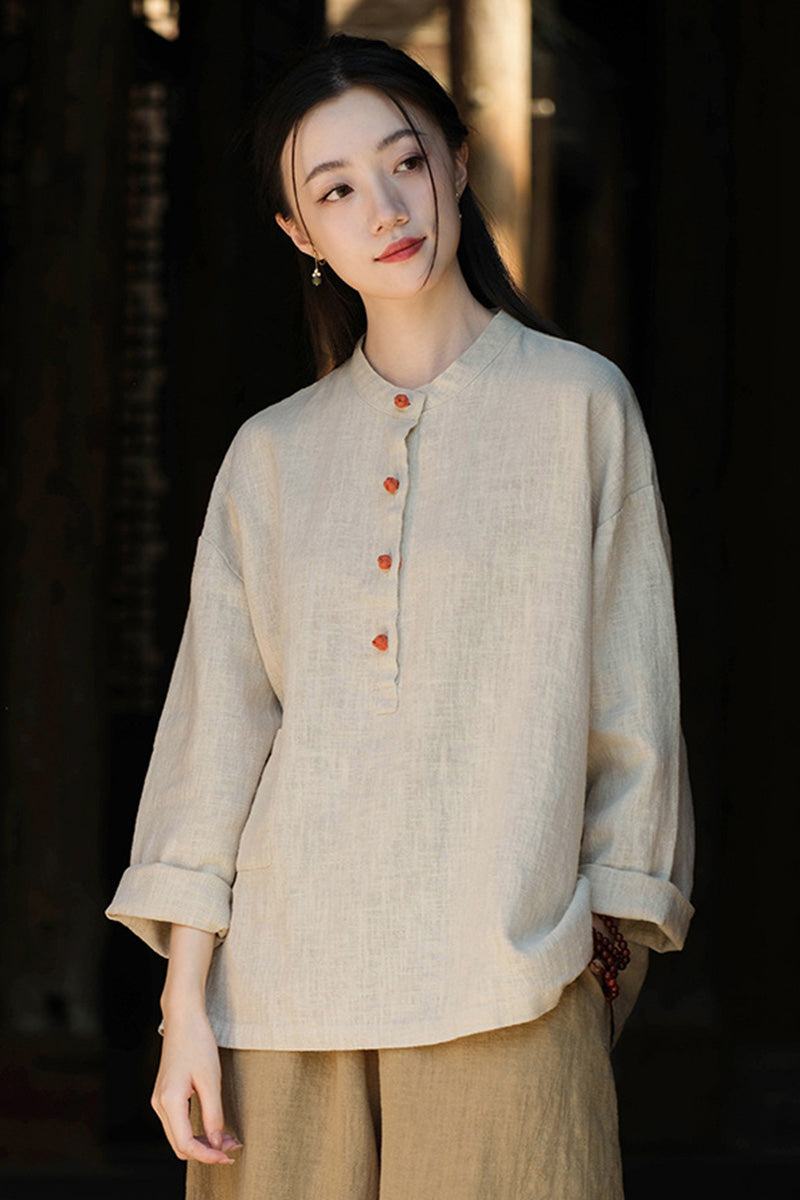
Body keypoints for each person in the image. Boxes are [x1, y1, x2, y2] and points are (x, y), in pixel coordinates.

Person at [105, 32, 695, 1199]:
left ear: (456, 165)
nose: (381, 206)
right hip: (272, 1008)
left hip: (510, 990)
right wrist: (184, 1010)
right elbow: (213, 744)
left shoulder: (580, 406)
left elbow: (634, 720)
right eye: (333, 189)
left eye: (402, 163)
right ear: (298, 234)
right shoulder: (270, 456)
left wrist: (597, 968)